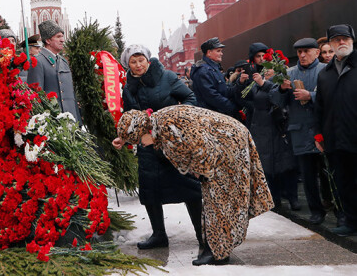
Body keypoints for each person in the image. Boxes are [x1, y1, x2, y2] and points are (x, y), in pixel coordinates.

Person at [114, 105, 273, 266]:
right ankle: (216, 248)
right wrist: (123, 138)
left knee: (220, 199)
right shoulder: (156, 123)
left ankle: (219, 253)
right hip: (223, 144)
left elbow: (201, 146)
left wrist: (201, 171)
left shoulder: (168, 126)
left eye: (140, 141)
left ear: (145, 130)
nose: (143, 145)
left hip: (228, 144)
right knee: (215, 198)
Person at [116, 45, 202, 250]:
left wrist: (174, 122)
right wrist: (124, 137)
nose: (138, 65)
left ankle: (202, 234)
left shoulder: (168, 77)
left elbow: (190, 99)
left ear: (148, 59)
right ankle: (159, 234)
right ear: (128, 65)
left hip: (173, 143)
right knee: (150, 189)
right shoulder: (128, 87)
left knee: (189, 188)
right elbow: (130, 116)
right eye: (133, 62)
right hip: (147, 145)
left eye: (141, 60)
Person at [271, 38, 327, 224]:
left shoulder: (326, 71)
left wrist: (310, 96)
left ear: (317, 52)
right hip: (300, 132)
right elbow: (277, 103)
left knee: (330, 174)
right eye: (299, 52)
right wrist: (281, 89)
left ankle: (341, 212)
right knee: (308, 176)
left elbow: (334, 97)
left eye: (306, 51)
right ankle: (316, 211)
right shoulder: (289, 73)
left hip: (324, 131)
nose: (302, 55)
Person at [239, 42, 297, 211]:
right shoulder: (252, 75)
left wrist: (264, 84)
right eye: (258, 56)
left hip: (278, 122)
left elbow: (280, 94)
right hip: (261, 124)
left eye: (264, 55)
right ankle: (274, 198)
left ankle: (292, 197)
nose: (262, 59)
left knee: (286, 162)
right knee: (267, 165)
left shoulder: (278, 72)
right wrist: (241, 85)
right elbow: (245, 98)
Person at [314, 24, 357, 236]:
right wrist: (319, 135)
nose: (342, 42)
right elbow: (319, 108)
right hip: (336, 139)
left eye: (345, 38)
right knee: (344, 182)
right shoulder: (325, 74)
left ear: (352, 40)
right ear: (329, 43)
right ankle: (351, 222)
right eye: (337, 39)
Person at [27, 20, 81, 122]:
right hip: (53, 123)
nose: (62, 40)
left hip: (70, 123)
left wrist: (78, 121)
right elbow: (35, 98)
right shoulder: (38, 61)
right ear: (48, 40)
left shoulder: (63, 62)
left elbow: (71, 95)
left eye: (62, 36)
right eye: (58, 37)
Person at [190, 37, 239, 116]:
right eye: (218, 51)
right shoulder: (203, 71)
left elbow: (223, 90)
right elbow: (211, 96)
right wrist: (231, 107)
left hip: (218, 114)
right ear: (209, 53)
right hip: (210, 116)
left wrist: (240, 84)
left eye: (221, 51)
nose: (221, 53)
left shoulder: (214, 68)